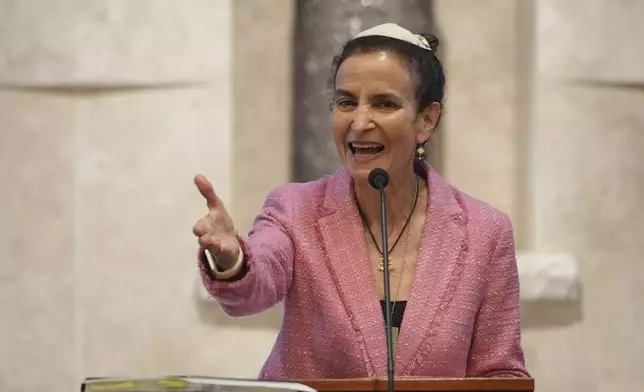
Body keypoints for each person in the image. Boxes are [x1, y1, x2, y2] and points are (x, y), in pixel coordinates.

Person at [192, 23, 529, 379]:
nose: (360, 122)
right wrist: (231, 259)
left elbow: (500, 373)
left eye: (384, 104)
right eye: (346, 102)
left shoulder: (485, 232)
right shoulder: (294, 209)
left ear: (426, 120)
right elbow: (253, 288)